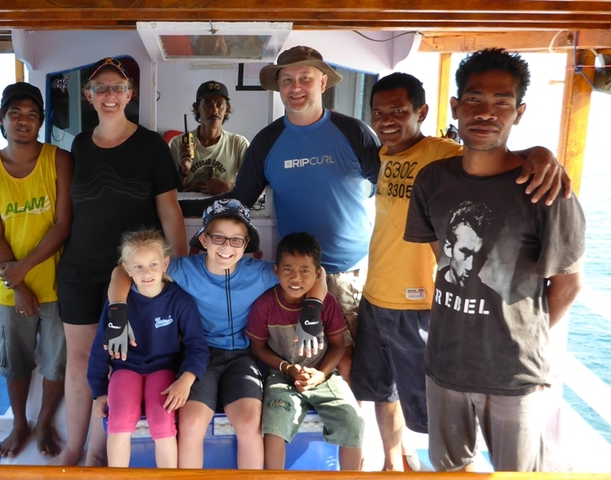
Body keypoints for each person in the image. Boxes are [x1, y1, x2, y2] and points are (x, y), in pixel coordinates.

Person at [353, 72, 571, 471]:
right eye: (379, 113)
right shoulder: (384, 157)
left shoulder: (441, 155)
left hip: (420, 305)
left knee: (434, 417)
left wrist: (541, 153)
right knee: (382, 391)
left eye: (399, 111)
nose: (387, 120)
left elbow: (487, 151)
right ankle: (392, 462)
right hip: (375, 293)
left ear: (423, 112)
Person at [404, 48, 585, 472]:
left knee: (515, 473)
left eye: (502, 102)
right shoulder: (433, 180)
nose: (487, 112)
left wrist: (516, 336)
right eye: (474, 99)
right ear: (455, 106)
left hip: (513, 376)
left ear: (518, 112)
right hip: (443, 363)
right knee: (450, 469)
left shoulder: (545, 190)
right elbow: (442, 260)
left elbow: (569, 284)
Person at [180, 45, 382, 383]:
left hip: (350, 273)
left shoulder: (354, 132)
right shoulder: (267, 141)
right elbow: (239, 200)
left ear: (322, 82)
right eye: (287, 79)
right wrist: (172, 204)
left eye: (305, 77)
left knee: (352, 362)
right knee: (302, 365)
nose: (296, 87)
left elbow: (390, 191)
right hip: (295, 278)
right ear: (279, 86)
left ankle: (349, 432)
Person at [108, 199, 328, 469]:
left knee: (249, 423)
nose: (226, 247)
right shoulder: (183, 269)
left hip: (242, 359)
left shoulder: (259, 272)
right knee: (190, 424)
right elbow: (122, 269)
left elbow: (319, 275)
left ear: (246, 245)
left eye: (237, 240)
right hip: (200, 357)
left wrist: (312, 311)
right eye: (218, 237)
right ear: (203, 238)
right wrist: (117, 311)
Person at [53, 56, 187, 466]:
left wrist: (175, 270)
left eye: (117, 88)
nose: (110, 95)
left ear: (130, 95)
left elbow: (170, 214)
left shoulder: (150, 146)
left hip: (136, 274)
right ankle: (75, 448)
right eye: (101, 88)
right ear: (88, 96)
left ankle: (97, 451)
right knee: (80, 361)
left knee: (119, 358)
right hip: (79, 268)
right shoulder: (77, 144)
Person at [0, 82, 72, 457]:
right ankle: (20, 424)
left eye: (32, 115)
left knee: (55, 361)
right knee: (13, 361)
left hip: (54, 283)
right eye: (15, 113)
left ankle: (43, 423)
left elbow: (62, 226)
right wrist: (17, 286)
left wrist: (25, 273)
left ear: (41, 120)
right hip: (10, 288)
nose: (24, 121)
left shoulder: (58, 160)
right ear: (1, 118)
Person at [87, 229, 209, 468]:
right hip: (125, 370)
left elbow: (197, 345)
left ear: (165, 264)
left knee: (163, 423)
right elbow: (100, 349)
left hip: (163, 370)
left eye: (153, 264)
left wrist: (186, 379)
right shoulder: (117, 306)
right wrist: (99, 391)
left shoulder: (179, 300)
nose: (147, 273)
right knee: (119, 421)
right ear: (127, 269)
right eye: (138, 267)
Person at [246, 232, 364, 471]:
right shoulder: (265, 304)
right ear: (276, 271)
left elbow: (339, 344)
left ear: (318, 274)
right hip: (282, 376)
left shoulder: (327, 302)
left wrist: (321, 374)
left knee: (354, 423)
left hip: (324, 375)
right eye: (288, 270)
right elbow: (257, 347)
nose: (296, 278)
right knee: (274, 427)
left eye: (305, 271)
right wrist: (287, 368)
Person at [169, 80, 249, 194]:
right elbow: (166, 192)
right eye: (208, 104)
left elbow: (254, 185)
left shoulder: (238, 144)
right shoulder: (178, 144)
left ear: (227, 109)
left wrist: (227, 187)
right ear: (196, 108)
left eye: (220, 104)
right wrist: (184, 171)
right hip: (187, 209)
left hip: (224, 209)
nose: (215, 110)